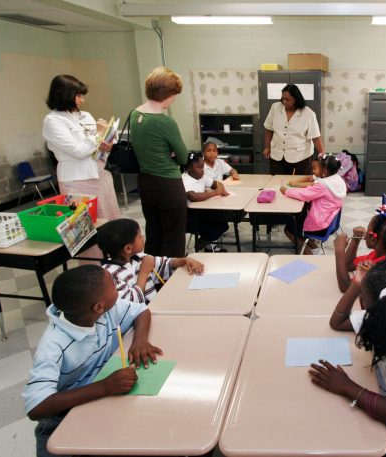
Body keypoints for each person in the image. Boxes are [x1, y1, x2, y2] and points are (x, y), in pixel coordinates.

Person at [22, 265, 162, 457]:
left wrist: (140, 341)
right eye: (113, 286)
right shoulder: (53, 345)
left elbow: (141, 312)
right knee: (55, 446)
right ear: (98, 307)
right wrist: (105, 387)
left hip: (101, 398)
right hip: (62, 412)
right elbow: (36, 407)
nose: (118, 288)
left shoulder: (106, 310)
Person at [309, 253, 386, 456]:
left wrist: (346, 386)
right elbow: (337, 322)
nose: (360, 300)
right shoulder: (381, 316)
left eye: (362, 298)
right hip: (377, 393)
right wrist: (357, 283)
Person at [130, 66, 189, 257]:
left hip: (146, 182)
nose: (174, 100)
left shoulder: (135, 115)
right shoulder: (164, 122)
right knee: (174, 234)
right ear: (169, 93)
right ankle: (170, 280)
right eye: (175, 95)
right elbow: (183, 156)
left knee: (154, 231)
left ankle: (153, 276)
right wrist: (171, 153)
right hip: (168, 184)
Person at [42, 74, 120, 220]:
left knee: (110, 219)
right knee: (85, 223)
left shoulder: (85, 115)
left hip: (101, 174)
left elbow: (96, 143)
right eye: (78, 96)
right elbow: (78, 151)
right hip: (77, 180)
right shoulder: (52, 121)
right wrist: (98, 133)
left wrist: (108, 142)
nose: (82, 100)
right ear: (64, 95)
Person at [97, 218, 204, 304]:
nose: (143, 237)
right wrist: (143, 273)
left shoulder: (138, 257)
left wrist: (184, 260)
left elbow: (164, 264)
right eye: (139, 236)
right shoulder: (109, 276)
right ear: (128, 248)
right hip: (138, 323)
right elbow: (131, 303)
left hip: (155, 309)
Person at [334, 202, 386, 292]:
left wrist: (339, 250)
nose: (365, 234)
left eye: (367, 231)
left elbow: (345, 286)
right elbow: (349, 265)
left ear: (373, 240)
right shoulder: (378, 254)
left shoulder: (380, 268)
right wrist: (355, 239)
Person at [280, 155, 345, 254]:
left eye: (315, 168)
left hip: (320, 224)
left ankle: (309, 254)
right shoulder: (336, 179)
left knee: (289, 228)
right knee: (299, 218)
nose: (313, 171)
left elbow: (304, 194)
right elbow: (313, 180)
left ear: (324, 172)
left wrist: (286, 191)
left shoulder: (322, 185)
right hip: (329, 221)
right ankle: (313, 248)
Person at [263, 84, 325, 175]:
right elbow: (269, 129)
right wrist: (267, 147)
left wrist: (322, 155)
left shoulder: (308, 113)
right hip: (277, 155)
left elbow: (316, 137)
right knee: (276, 182)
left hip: (301, 158)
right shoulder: (275, 108)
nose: (284, 101)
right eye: (283, 98)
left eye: (288, 99)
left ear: (296, 99)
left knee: (299, 185)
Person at [182, 151, 230, 252]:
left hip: (202, 212)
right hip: (189, 217)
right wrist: (215, 193)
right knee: (218, 225)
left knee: (224, 221)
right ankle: (198, 247)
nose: (202, 170)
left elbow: (216, 183)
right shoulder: (185, 179)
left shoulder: (202, 177)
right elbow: (192, 196)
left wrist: (222, 189)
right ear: (188, 168)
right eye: (198, 167)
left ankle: (206, 245)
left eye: (202, 166)